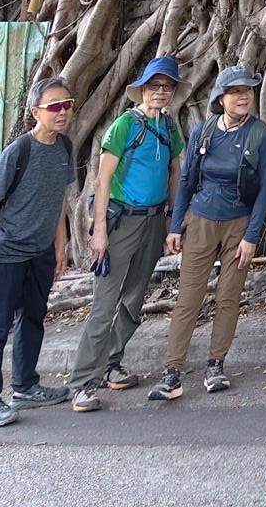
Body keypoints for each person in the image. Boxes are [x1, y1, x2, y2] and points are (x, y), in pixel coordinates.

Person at [148, 64, 266, 402]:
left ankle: (216, 365)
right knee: (188, 298)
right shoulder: (202, 132)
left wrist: (251, 237)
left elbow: (265, 190)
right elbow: (187, 180)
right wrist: (176, 226)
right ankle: (172, 371)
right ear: (221, 98)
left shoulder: (259, 134)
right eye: (235, 92)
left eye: (247, 91)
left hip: (238, 224)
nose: (243, 97)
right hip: (201, 221)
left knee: (228, 297)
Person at [68, 56, 185, 411]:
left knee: (134, 300)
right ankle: (82, 382)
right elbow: (102, 180)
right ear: (143, 89)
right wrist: (99, 231)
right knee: (105, 303)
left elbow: (175, 173)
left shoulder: (171, 127)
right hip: (120, 223)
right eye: (154, 85)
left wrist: (171, 222)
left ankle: (111, 363)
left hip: (153, 222)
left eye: (167, 86)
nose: (160, 92)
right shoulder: (124, 125)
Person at [0, 75, 76, 429]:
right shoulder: (18, 151)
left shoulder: (64, 147)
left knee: (33, 318)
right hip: (7, 254)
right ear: (35, 112)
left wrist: (60, 247)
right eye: (54, 106)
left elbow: (58, 200)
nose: (63, 112)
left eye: (67, 105)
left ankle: (25, 386)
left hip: (40, 252)